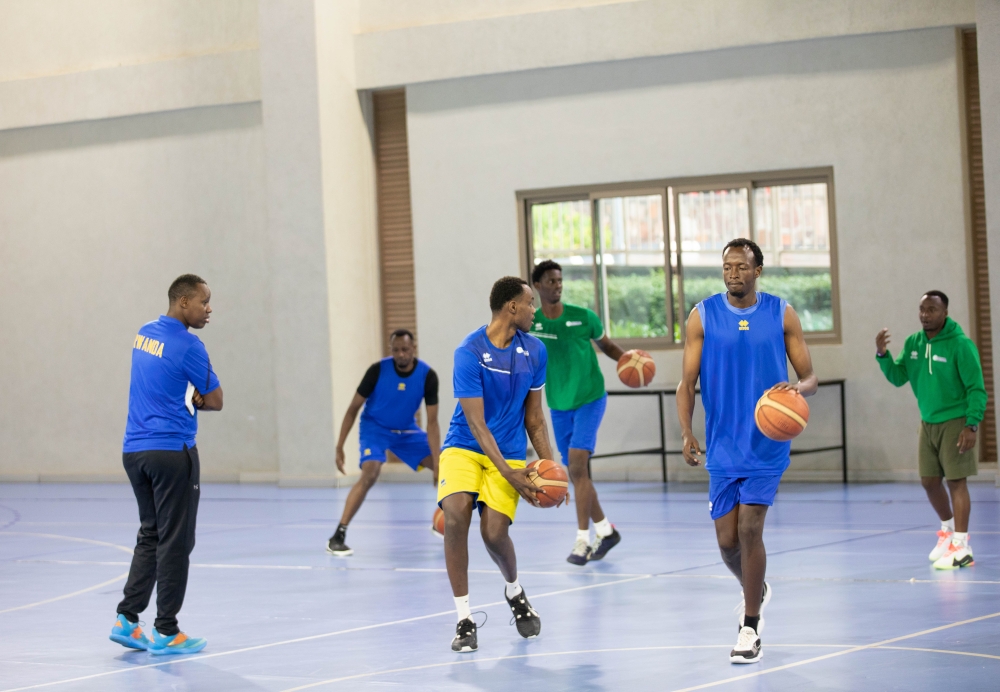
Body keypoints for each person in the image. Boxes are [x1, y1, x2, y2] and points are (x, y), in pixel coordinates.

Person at [677, 239, 817, 665]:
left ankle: (750, 627)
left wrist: (798, 389)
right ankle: (754, 587)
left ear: (758, 271)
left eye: (742, 266)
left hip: (767, 443)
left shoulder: (781, 313)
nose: (733, 273)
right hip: (722, 443)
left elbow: (809, 376)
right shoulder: (702, 316)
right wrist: (686, 431)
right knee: (726, 542)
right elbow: (687, 383)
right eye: (727, 266)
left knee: (749, 530)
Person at [438, 276, 554, 653]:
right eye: (530, 303)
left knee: (493, 534)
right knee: (456, 516)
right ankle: (464, 619)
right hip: (465, 447)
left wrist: (550, 471)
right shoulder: (468, 352)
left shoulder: (535, 352)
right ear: (512, 307)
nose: (535, 311)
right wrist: (509, 474)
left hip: (510, 452)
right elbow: (476, 423)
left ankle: (514, 591)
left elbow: (534, 418)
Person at [110, 274, 222, 656]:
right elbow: (217, 399)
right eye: (204, 302)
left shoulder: (144, 332)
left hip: (134, 452)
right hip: (172, 452)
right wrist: (196, 399)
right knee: (177, 541)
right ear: (184, 302)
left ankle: (127, 619)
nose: (209, 309)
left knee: (151, 533)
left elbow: (158, 381)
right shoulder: (190, 345)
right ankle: (166, 630)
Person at [875, 290, 986, 570]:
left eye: (932, 310)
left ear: (945, 312)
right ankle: (947, 531)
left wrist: (971, 424)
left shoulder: (960, 345)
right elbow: (899, 376)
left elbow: (977, 389)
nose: (926, 314)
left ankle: (962, 546)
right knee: (929, 481)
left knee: (956, 482)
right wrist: (882, 354)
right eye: (922, 309)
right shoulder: (913, 343)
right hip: (928, 422)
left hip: (956, 421)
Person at [531, 259, 624, 565]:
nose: (557, 285)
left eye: (559, 280)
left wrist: (630, 361)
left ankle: (583, 540)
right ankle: (606, 531)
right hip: (558, 405)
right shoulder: (533, 326)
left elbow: (607, 346)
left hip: (590, 398)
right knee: (576, 472)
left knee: (577, 465)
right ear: (538, 286)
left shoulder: (583, 317)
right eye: (550, 281)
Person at [326, 329, 441, 555]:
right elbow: (352, 410)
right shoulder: (377, 371)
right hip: (375, 428)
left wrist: (437, 464)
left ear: (413, 349)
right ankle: (338, 534)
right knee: (370, 472)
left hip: (406, 431)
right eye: (396, 350)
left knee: (447, 466)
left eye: (405, 349)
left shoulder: (428, 376)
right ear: (391, 351)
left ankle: (445, 522)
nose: (401, 354)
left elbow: (433, 423)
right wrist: (339, 446)